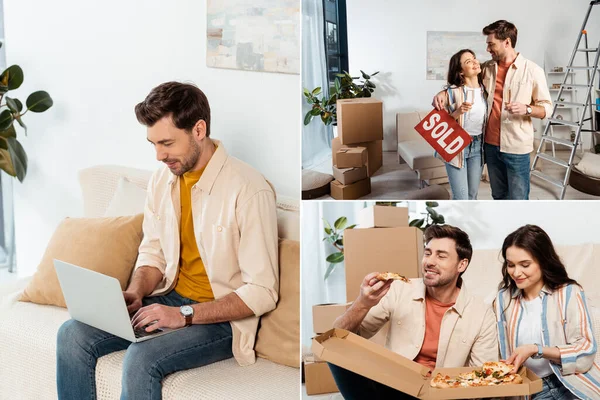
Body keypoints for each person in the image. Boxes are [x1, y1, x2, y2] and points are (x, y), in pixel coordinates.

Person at [55, 82, 279, 400]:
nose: (159, 155)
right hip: (168, 297)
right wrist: (136, 291)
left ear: (198, 130)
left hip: (220, 319)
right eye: (154, 144)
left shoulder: (249, 189)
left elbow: (263, 292)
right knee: (72, 334)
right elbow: (154, 252)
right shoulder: (164, 179)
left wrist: (184, 315)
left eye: (167, 143)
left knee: (141, 359)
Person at [330, 224, 498, 400]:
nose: (430, 262)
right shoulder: (399, 289)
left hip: (442, 394)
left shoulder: (481, 313)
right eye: (427, 253)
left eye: (441, 256)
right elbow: (338, 336)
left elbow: (483, 379)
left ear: (461, 265)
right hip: (393, 386)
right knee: (335, 350)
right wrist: (363, 303)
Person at [434, 20, 552, 200]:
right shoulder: (487, 68)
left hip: (516, 147)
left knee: (519, 198)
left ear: (507, 42)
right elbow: (463, 80)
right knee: (498, 196)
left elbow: (547, 109)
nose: (488, 49)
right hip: (489, 145)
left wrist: (527, 109)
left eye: (491, 44)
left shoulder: (533, 70)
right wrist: (443, 93)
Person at [494, 225, 600, 399]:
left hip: (569, 384)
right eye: (510, 265)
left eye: (525, 264)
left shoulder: (569, 293)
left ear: (543, 261)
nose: (516, 273)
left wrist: (537, 349)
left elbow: (586, 350)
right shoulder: (503, 298)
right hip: (528, 389)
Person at [437, 49, 487, 200]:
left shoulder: (486, 90)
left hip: (478, 146)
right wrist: (457, 113)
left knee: (472, 195)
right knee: (461, 197)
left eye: (474, 58)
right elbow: (439, 124)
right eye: (468, 62)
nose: (475, 62)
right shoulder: (452, 92)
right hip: (456, 146)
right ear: (460, 72)